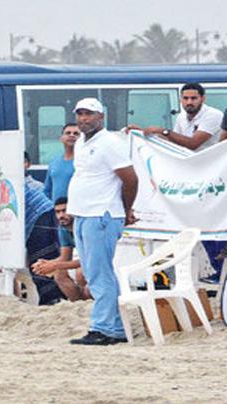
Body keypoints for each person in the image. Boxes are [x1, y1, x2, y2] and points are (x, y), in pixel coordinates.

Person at [67, 98, 138, 345]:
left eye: (89, 114)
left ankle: (104, 327)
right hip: (84, 213)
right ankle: (114, 326)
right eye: (80, 114)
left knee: (100, 272)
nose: (84, 119)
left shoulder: (110, 143)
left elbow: (130, 179)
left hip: (103, 214)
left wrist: (127, 209)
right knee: (91, 271)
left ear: (101, 117)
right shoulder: (81, 143)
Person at [130, 82, 222, 152]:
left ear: (203, 99)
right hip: (189, 164)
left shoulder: (213, 115)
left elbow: (192, 144)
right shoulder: (181, 117)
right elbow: (173, 142)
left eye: (194, 98)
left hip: (210, 167)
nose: (189, 102)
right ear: (180, 100)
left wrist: (162, 131)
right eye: (185, 98)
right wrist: (142, 132)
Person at [31, 197, 91, 301]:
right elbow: (65, 257)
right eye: (57, 212)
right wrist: (45, 264)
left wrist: (53, 265)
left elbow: (87, 260)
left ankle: (89, 300)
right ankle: (78, 304)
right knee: (59, 274)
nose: (61, 216)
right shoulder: (63, 228)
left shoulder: (84, 227)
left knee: (81, 273)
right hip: (86, 261)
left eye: (64, 211)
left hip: (105, 261)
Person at [43, 123, 79, 201]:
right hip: (58, 212)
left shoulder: (85, 162)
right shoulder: (54, 162)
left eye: (76, 133)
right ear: (61, 138)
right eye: (68, 133)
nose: (72, 135)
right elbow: (47, 191)